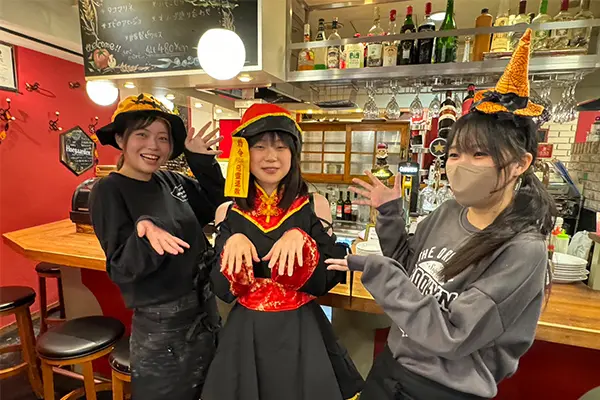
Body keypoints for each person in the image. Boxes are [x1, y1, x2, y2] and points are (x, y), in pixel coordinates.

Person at [326, 29, 556, 400]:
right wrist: (389, 214)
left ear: (520, 163)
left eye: (479, 154)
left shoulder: (523, 250)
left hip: (441, 389)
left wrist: (379, 272)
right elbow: (410, 268)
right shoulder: (450, 211)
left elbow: (452, 335)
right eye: (454, 154)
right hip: (393, 368)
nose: (461, 165)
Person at [201, 104, 364, 400]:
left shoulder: (314, 205)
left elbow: (327, 278)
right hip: (247, 334)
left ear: (293, 153)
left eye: (280, 147)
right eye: (260, 146)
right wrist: (230, 246)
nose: (271, 157)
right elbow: (222, 289)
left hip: (302, 330)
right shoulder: (229, 212)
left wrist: (304, 241)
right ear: (244, 153)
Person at [89, 93, 225, 400]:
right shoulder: (109, 190)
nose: (153, 145)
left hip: (205, 311)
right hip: (164, 327)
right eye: (142, 134)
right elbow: (122, 268)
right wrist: (144, 232)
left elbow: (219, 204)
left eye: (162, 138)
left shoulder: (170, 181)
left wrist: (200, 161)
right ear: (121, 139)